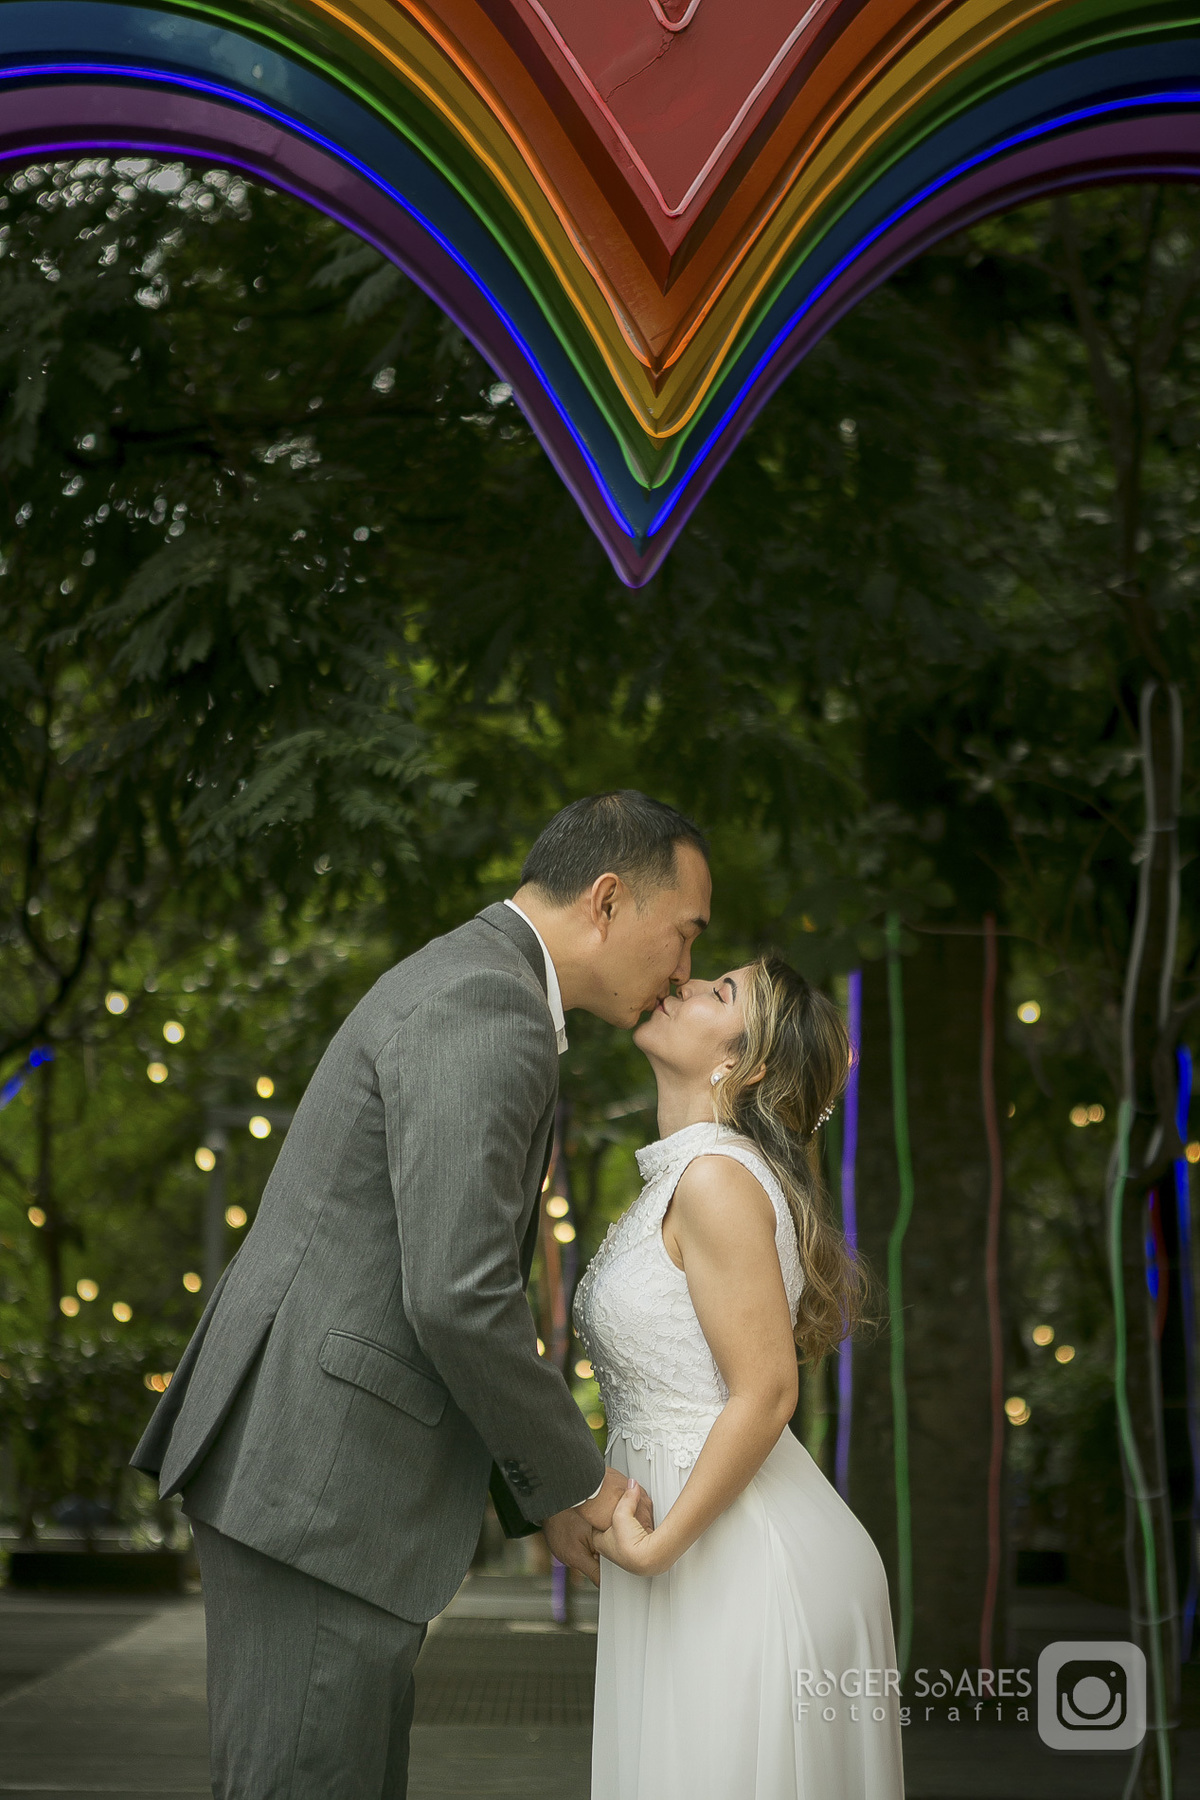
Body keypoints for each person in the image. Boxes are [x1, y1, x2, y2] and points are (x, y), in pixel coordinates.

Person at [130, 789, 712, 1799]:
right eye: (688, 933)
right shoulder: (488, 1005)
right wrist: (578, 1485)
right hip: (322, 1497)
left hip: (316, 1488)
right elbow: (457, 1294)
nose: (686, 969)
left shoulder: (474, 982)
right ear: (610, 900)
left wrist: (538, 1494)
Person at [573, 954, 905, 1799]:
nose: (681, 982)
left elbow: (768, 1392)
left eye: (720, 992)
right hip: (690, 1545)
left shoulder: (717, 1180)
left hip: (742, 1563)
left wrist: (656, 1551)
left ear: (744, 1063)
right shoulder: (683, 1177)